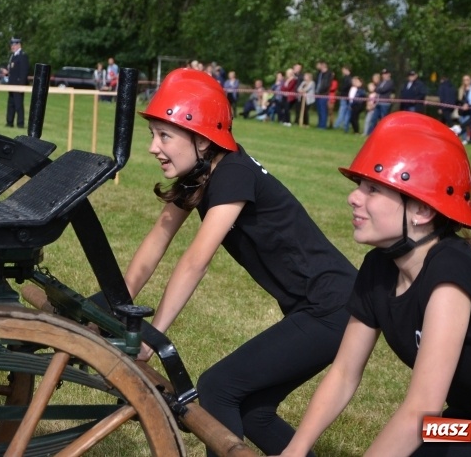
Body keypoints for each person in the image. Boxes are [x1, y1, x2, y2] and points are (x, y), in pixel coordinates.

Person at [278, 111, 471, 457]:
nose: (354, 197)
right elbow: (344, 373)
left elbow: (420, 409)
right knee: (423, 448)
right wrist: (296, 449)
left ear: (422, 211)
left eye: (373, 189)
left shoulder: (450, 269)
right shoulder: (378, 269)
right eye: (359, 186)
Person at [129, 68, 356, 457]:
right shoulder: (200, 172)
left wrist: (154, 334)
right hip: (315, 306)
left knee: (219, 387)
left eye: (164, 135)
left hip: (333, 307)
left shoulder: (233, 173)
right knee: (254, 411)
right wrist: (117, 301)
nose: (153, 147)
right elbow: (156, 243)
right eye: (153, 134)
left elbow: (196, 261)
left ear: (201, 140)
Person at [2, 37, 29, 128]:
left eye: (13, 45)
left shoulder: (22, 56)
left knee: (18, 105)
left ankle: (20, 123)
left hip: (18, 85)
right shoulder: (13, 56)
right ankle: (9, 122)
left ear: (18, 45)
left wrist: (21, 86)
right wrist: (7, 72)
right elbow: (13, 70)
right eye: (11, 45)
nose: (12, 47)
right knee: (11, 104)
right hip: (11, 84)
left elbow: (23, 72)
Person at [315, 61, 332, 129]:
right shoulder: (319, 73)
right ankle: (319, 124)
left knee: (323, 110)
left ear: (323, 65)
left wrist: (321, 91)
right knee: (319, 110)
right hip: (317, 94)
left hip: (323, 94)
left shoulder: (328, 74)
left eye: (319, 65)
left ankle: (323, 125)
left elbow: (326, 85)